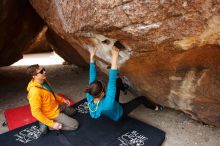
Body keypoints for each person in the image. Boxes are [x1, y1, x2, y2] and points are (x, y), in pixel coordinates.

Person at [85, 43, 162, 121]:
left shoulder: (90, 94)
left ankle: (124, 88)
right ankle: (155, 107)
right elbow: (111, 81)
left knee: (118, 81)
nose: (105, 86)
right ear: (102, 93)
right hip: (120, 113)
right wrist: (115, 56)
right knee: (142, 99)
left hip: (113, 103)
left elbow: (92, 76)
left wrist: (92, 56)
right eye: (103, 86)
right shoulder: (107, 104)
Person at [26, 64, 79, 134]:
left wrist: (62, 100)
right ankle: (48, 126)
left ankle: (50, 120)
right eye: (41, 71)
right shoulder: (34, 91)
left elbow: (51, 94)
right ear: (34, 76)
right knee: (75, 125)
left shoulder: (44, 81)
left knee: (73, 111)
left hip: (55, 106)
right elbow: (35, 112)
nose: (44, 72)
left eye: (43, 69)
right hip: (51, 114)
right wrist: (52, 124)